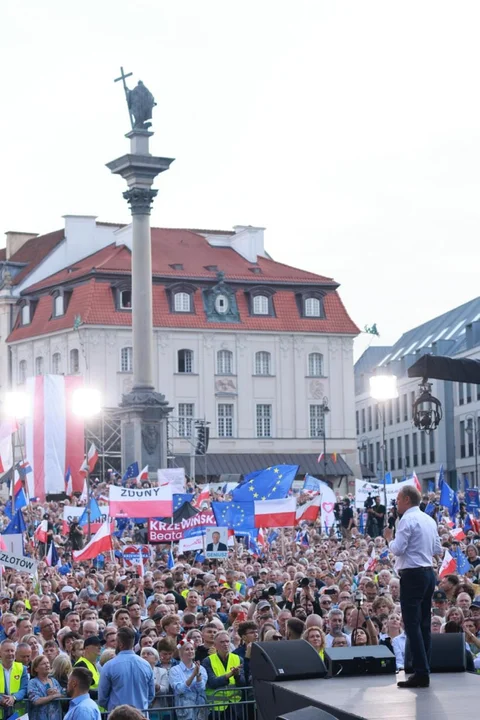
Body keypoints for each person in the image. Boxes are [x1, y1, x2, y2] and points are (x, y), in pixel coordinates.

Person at [384, 485, 442, 688]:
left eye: (398, 500)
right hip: (428, 573)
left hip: (412, 575)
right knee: (425, 623)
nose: (397, 503)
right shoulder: (428, 519)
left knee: (412, 624)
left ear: (407, 499)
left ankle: (421, 672)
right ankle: (424, 669)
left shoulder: (407, 520)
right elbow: (437, 548)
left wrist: (389, 539)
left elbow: (398, 549)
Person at [97, 626, 154, 712]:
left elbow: (102, 697)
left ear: (120, 644)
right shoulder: (146, 665)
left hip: (118, 716)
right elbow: (151, 695)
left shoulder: (109, 666)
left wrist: (113, 708)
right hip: (140, 714)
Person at [202, 631, 245, 716]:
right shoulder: (207, 661)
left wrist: (237, 676)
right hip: (217, 707)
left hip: (235, 706)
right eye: (222, 642)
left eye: (227, 641)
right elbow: (212, 683)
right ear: (215, 645)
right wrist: (229, 675)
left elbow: (243, 683)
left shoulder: (238, 659)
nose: (225, 644)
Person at [169, 641, 207, 720]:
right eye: (187, 649)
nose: (190, 651)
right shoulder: (174, 670)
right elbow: (179, 689)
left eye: (192, 649)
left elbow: (201, 688)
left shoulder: (201, 668)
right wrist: (193, 675)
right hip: (184, 709)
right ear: (181, 653)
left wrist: (198, 674)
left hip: (200, 708)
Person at [27, 655, 64, 720]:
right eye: (43, 664)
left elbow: (63, 695)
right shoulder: (33, 682)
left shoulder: (54, 681)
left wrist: (57, 693)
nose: (47, 665)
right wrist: (53, 696)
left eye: (48, 663)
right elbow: (36, 701)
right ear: (36, 669)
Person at [0, 638, 28, 714]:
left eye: (12, 651)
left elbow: (24, 689)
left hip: (17, 714)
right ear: (0, 653)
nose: (10, 653)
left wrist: (13, 698)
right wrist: (1, 699)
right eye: (7, 651)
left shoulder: (22, 669)